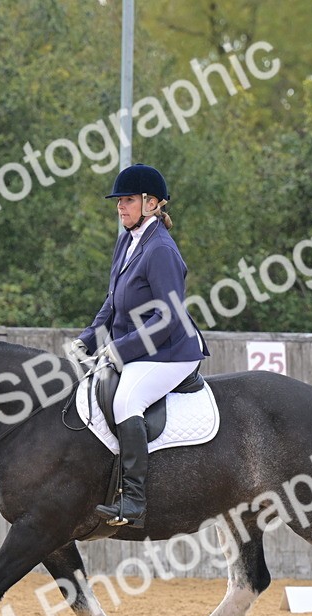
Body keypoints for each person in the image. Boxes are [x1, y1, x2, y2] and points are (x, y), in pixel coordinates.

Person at [68, 164, 210, 527]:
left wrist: (121, 349)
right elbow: (113, 302)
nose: (120, 207)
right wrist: (88, 338)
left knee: (126, 399)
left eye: (128, 200)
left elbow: (168, 319)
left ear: (151, 204)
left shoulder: (160, 249)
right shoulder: (127, 241)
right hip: (143, 348)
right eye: (119, 201)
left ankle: (133, 500)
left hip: (172, 352)